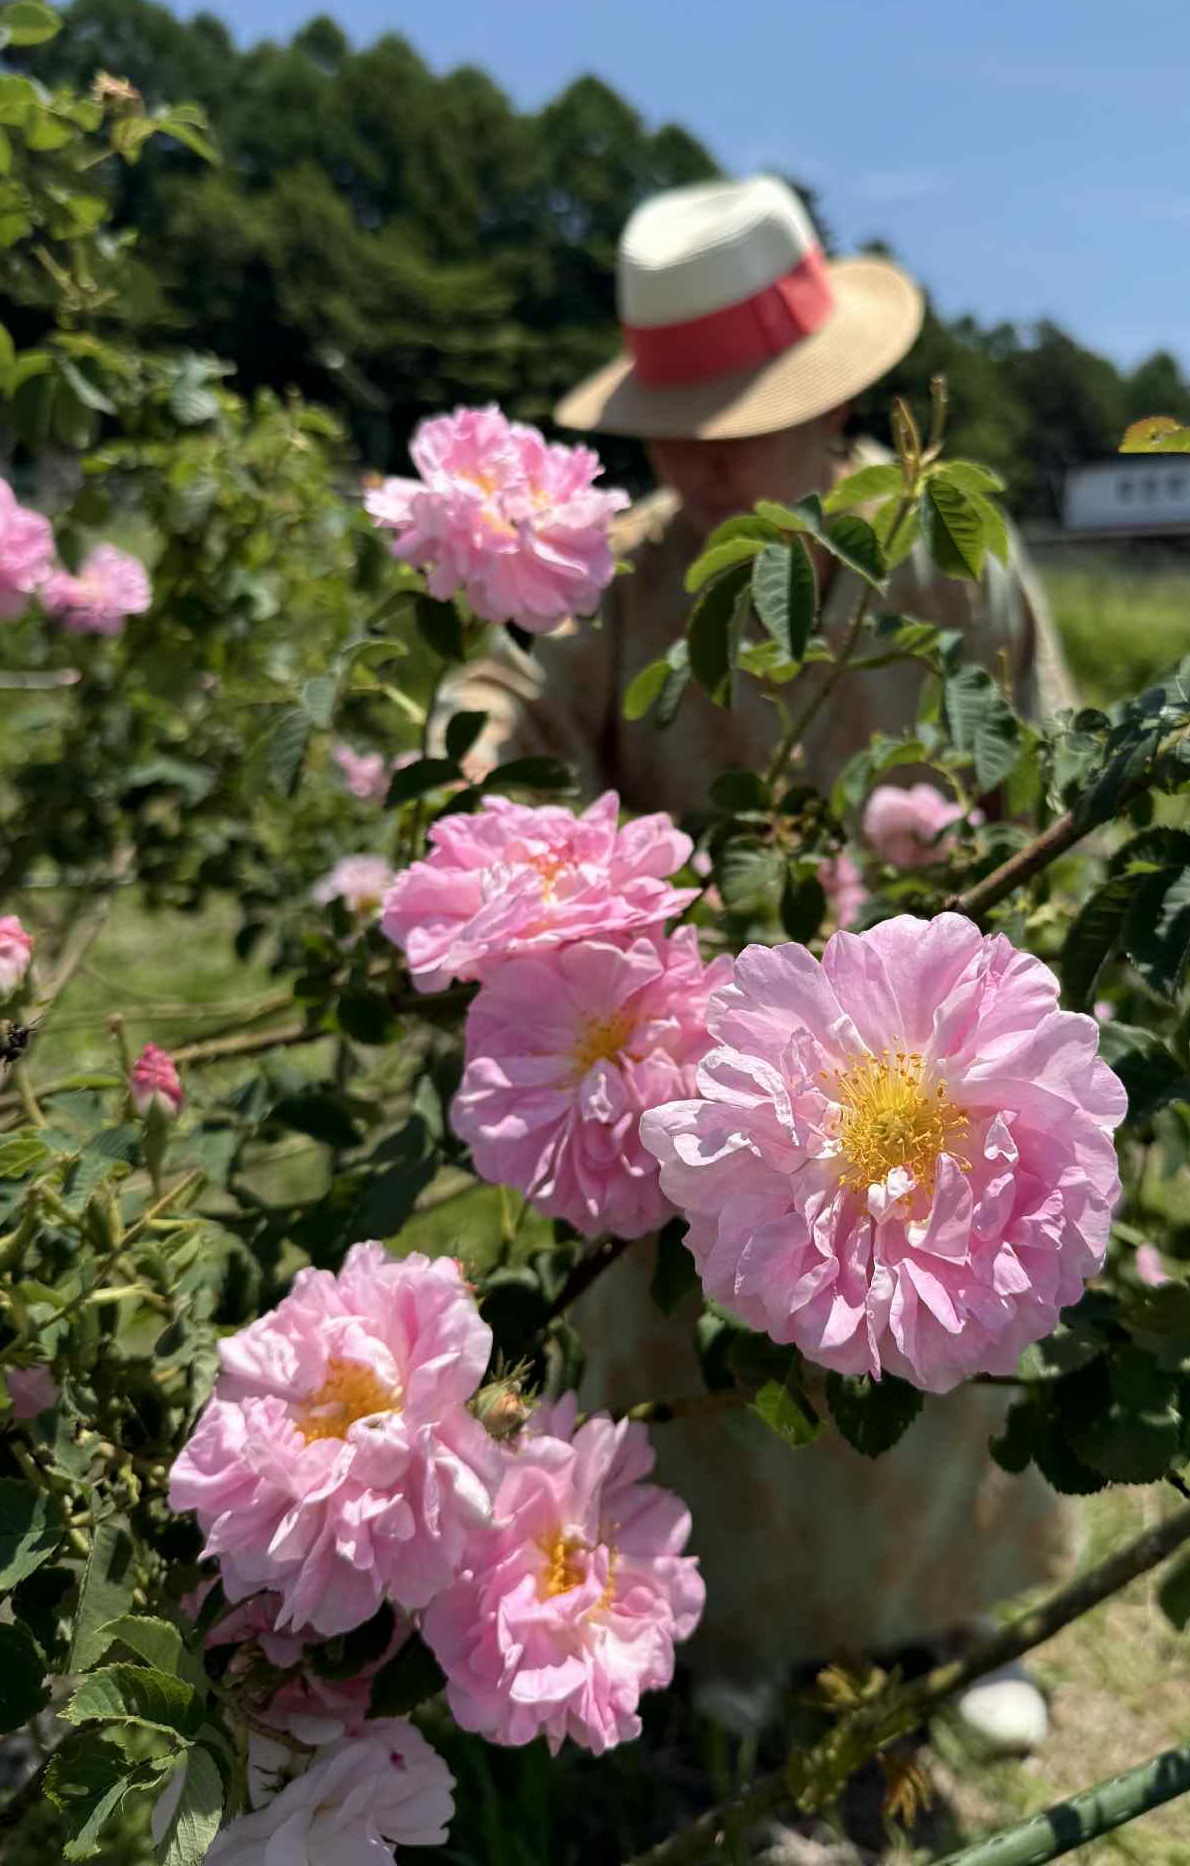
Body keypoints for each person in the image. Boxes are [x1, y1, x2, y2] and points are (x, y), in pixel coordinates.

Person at [460, 176, 1075, 1751]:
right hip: (700, 1059)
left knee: (939, 1341)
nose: (694, 454)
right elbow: (508, 707)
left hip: (918, 1045)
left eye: (730, 417)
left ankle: (950, 1619)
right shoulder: (634, 569)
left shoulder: (945, 558)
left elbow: (1054, 778)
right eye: (672, 419)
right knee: (693, 1357)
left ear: (832, 403)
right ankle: (723, 1634)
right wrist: (467, 776)